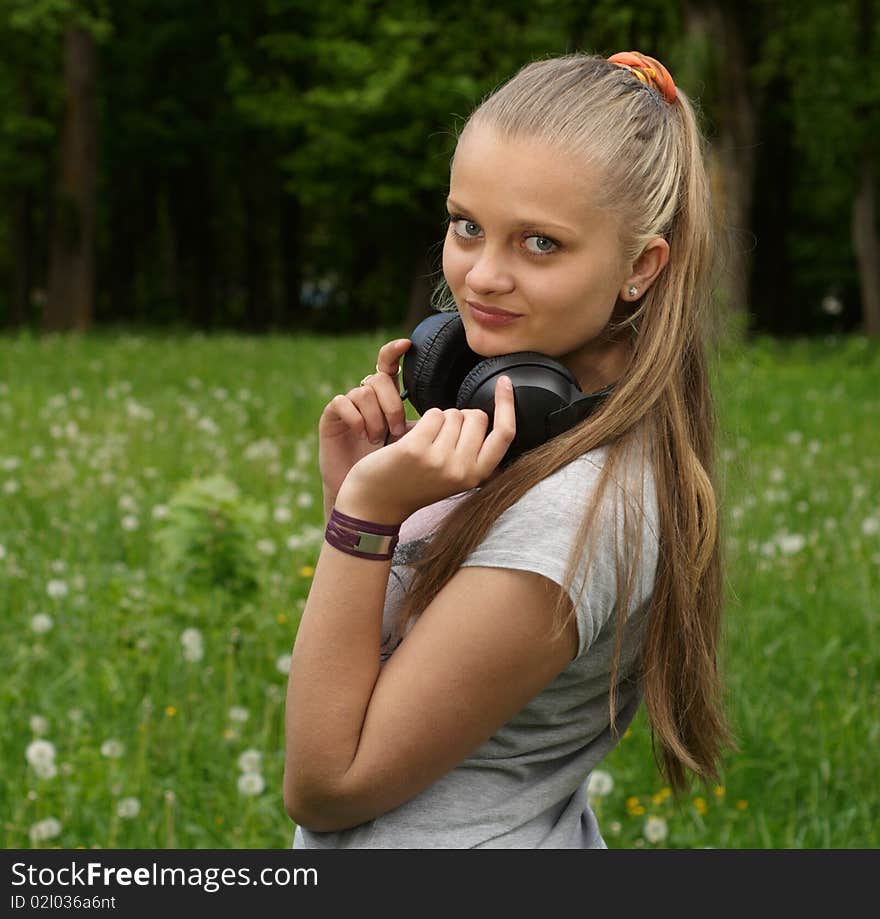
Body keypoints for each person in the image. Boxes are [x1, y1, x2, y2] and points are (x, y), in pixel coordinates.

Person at [283, 50, 736, 848]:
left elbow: (326, 785)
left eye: (540, 244)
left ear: (639, 268)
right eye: (467, 226)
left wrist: (365, 513)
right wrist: (360, 500)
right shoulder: (520, 431)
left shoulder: (573, 511)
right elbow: (388, 655)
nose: (482, 276)